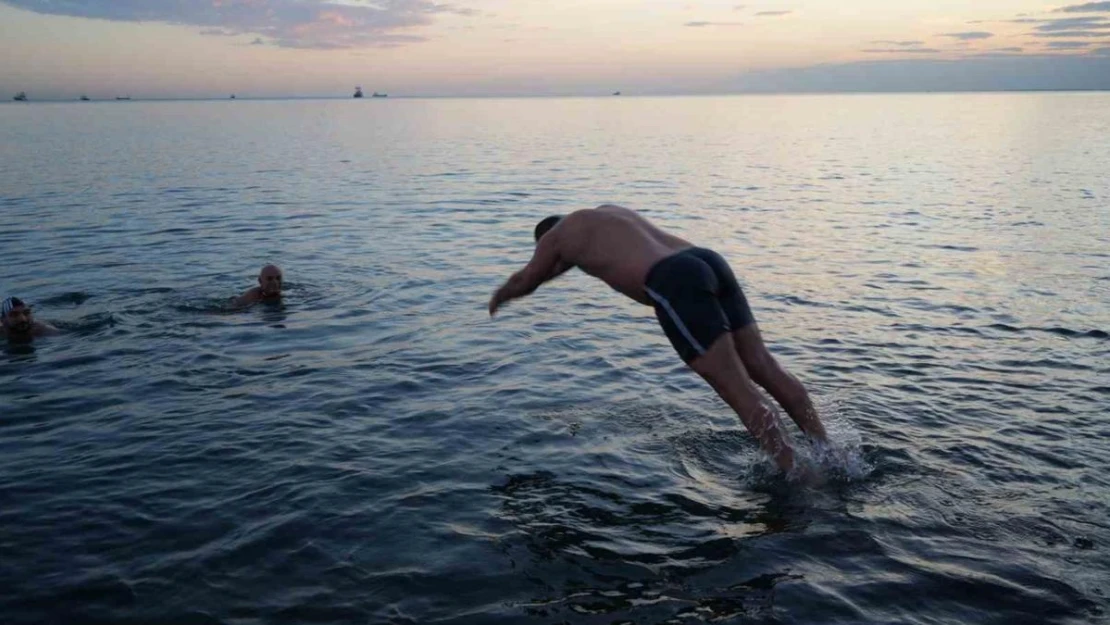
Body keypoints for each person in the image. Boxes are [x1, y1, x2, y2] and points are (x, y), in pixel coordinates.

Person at [488, 204, 828, 474]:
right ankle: (828, 451)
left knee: (734, 387)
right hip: (706, 260)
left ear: (546, 240)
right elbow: (563, 266)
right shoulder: (605, 215)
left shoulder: (556, 239)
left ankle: (797, 474)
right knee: (763, 365)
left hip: (674, 280)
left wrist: (499, 297)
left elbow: (529, 278)